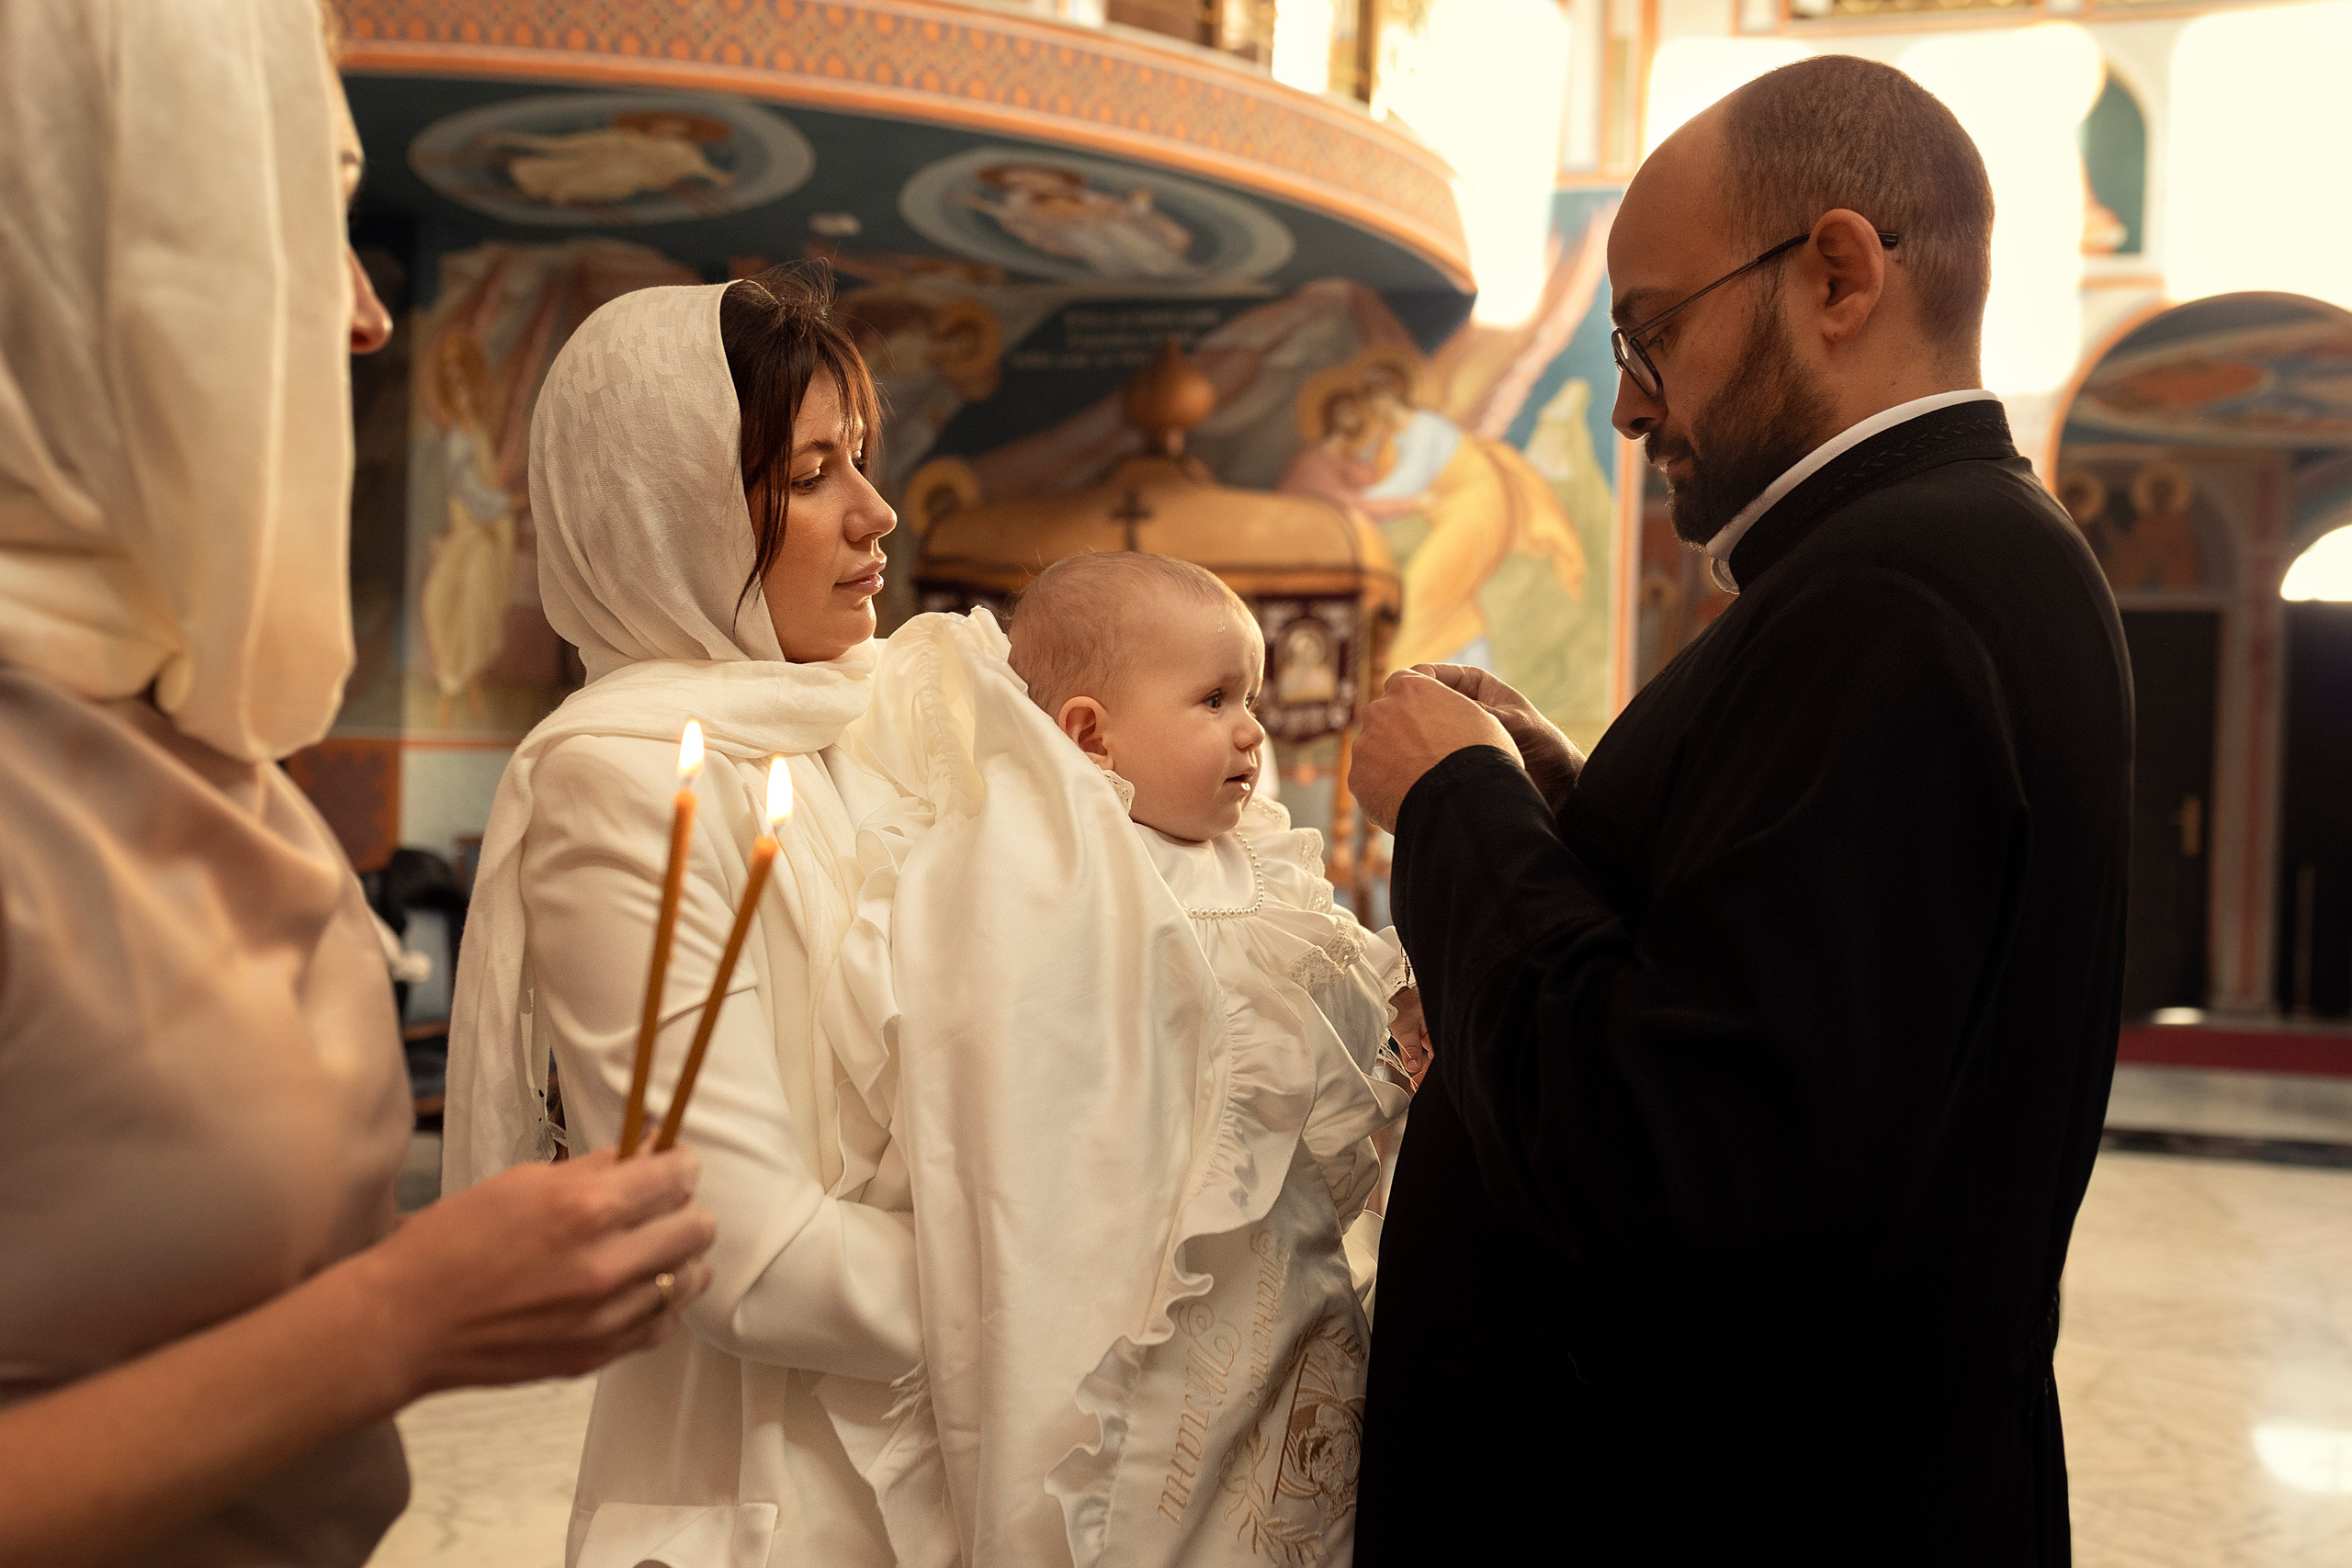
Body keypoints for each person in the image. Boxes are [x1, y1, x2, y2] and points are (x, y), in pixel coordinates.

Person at [1346, 56, 2131, 1565]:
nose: (1632, 404)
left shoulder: (1891, 600)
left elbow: (1673, 1161)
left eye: (1649, 335)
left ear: (1837, 272)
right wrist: (1567, 809)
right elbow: (1809, 1014)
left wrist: (1452, 809)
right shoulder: (1941, 561)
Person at [0, 5, 716, 1566]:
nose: (370, 316)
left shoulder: (165, 705)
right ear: (78, 232)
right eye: (301, 208)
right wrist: (398, 1317)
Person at [441, 267, 934, 1568]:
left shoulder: (860, 724)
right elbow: (737, 1249)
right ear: (676, 510)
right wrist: (1059, 1267)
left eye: (861, 461)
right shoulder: (618, 779)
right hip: (772, 1496)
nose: (877, 514)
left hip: (950, 1463)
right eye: (814, 472)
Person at [821, 553, 1425, 1565]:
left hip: (1283, 1293)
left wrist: (1399, 1021)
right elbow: (1016, 1077)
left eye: (1253, 698)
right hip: (1137, 1290)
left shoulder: (1254, 865)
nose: (1251, 730)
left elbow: (1337, 1025)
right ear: (1089, 733)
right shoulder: (1044, 874)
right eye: (1214, 699)